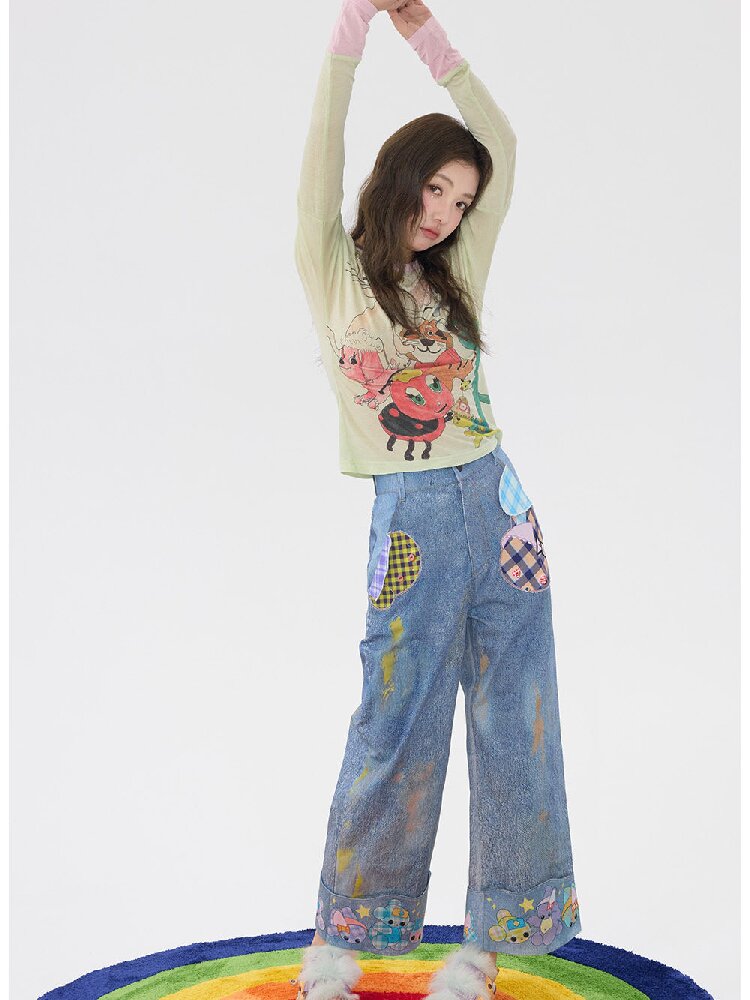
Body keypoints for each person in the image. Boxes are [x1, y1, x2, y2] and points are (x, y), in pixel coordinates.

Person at [292, 1, 582, 997]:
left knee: (516, 720)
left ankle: (487, 950)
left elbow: (504, 141)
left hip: (500, 511)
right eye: (437, 189)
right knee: (394, 717)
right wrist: (358, 28)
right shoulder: (331, 267)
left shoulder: (457, 271)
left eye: (463, 201)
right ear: (400, 176)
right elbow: (324, 146)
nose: (447, 213)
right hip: (411, 519)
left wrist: (434, 40)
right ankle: (340, 936)